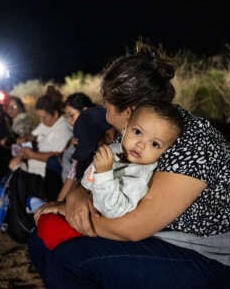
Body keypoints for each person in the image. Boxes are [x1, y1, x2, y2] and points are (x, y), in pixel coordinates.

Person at [28, 47, 230, 288]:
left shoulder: (195, 143)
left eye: (108, 109)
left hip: (204, 257)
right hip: (155, 241)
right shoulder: (136, 133)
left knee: (70, 257)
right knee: (41, 240)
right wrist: (76, 197)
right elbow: (95, 176)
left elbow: (133, 229)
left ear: (128, 112)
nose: (107, 118)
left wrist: (75, 217)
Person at [35, 101, 183, 250]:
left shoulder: (139, 176)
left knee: (48, 228)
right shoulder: (115, 150)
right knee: (43, 224)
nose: (141, 144)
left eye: (155, 144)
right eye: (137, 132)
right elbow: (88, 179)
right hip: (85, 209)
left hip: (102, 227)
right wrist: (82, 196)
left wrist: (104, 173)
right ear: (126, 128)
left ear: (164, 152)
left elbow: (114, 210)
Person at [11, 86, 72, 179]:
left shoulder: (64, 131)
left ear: (55, 114)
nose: (41, 120)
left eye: (43, 117)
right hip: (31, 166)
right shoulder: (47, 122)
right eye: (39, 117)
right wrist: (26, 140)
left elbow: (60, 158)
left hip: (43, 175)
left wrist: (32, 155)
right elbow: (34, 135)